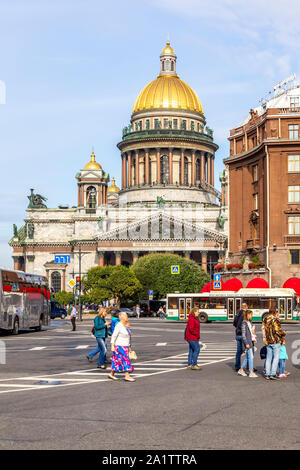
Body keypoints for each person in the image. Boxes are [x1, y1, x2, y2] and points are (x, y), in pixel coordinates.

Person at [108, 311, 135, 382]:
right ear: (122, 317)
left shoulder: (125, 325)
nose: (127, 317)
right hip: (119, 346)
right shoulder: (119, 325)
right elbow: (114, 335)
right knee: (125, 360)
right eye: (126, 316)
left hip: (125, 346)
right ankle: (127, 375)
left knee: (117, 361)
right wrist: (112, 345)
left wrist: (128, 346)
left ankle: (112, 374)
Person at [262, 307, 286, 380]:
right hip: (275, 340)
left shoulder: (265, 319)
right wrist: (283, 333)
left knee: (269, 358)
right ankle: (273, 373)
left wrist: (265, 339)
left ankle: (267, 374)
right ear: (275, 312)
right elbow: (277, 330)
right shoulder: (275, 319)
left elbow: (263, 329)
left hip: (268, 341)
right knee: (276, 358)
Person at [237, 310, 258, 378]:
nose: (252, 316)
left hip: (251, 341)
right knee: (251, 357)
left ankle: (241, 369)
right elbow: (243, 335)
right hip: (247, 342)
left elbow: (251, 333)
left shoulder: (250, 322)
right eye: (251, 314)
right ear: (247, 315)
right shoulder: (244, 323)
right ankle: (251, 372)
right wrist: (246, 343)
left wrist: (254, 333)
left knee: (247, 357)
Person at [233, 302, 248, 371]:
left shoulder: (238, 313)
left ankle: (237, 366)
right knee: (248, 350)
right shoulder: (245, 314)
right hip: (243, 335)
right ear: (246, 307)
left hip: (237, 334)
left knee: (238, 351)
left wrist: (238, 328)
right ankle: (248, 366)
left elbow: (234, 323)